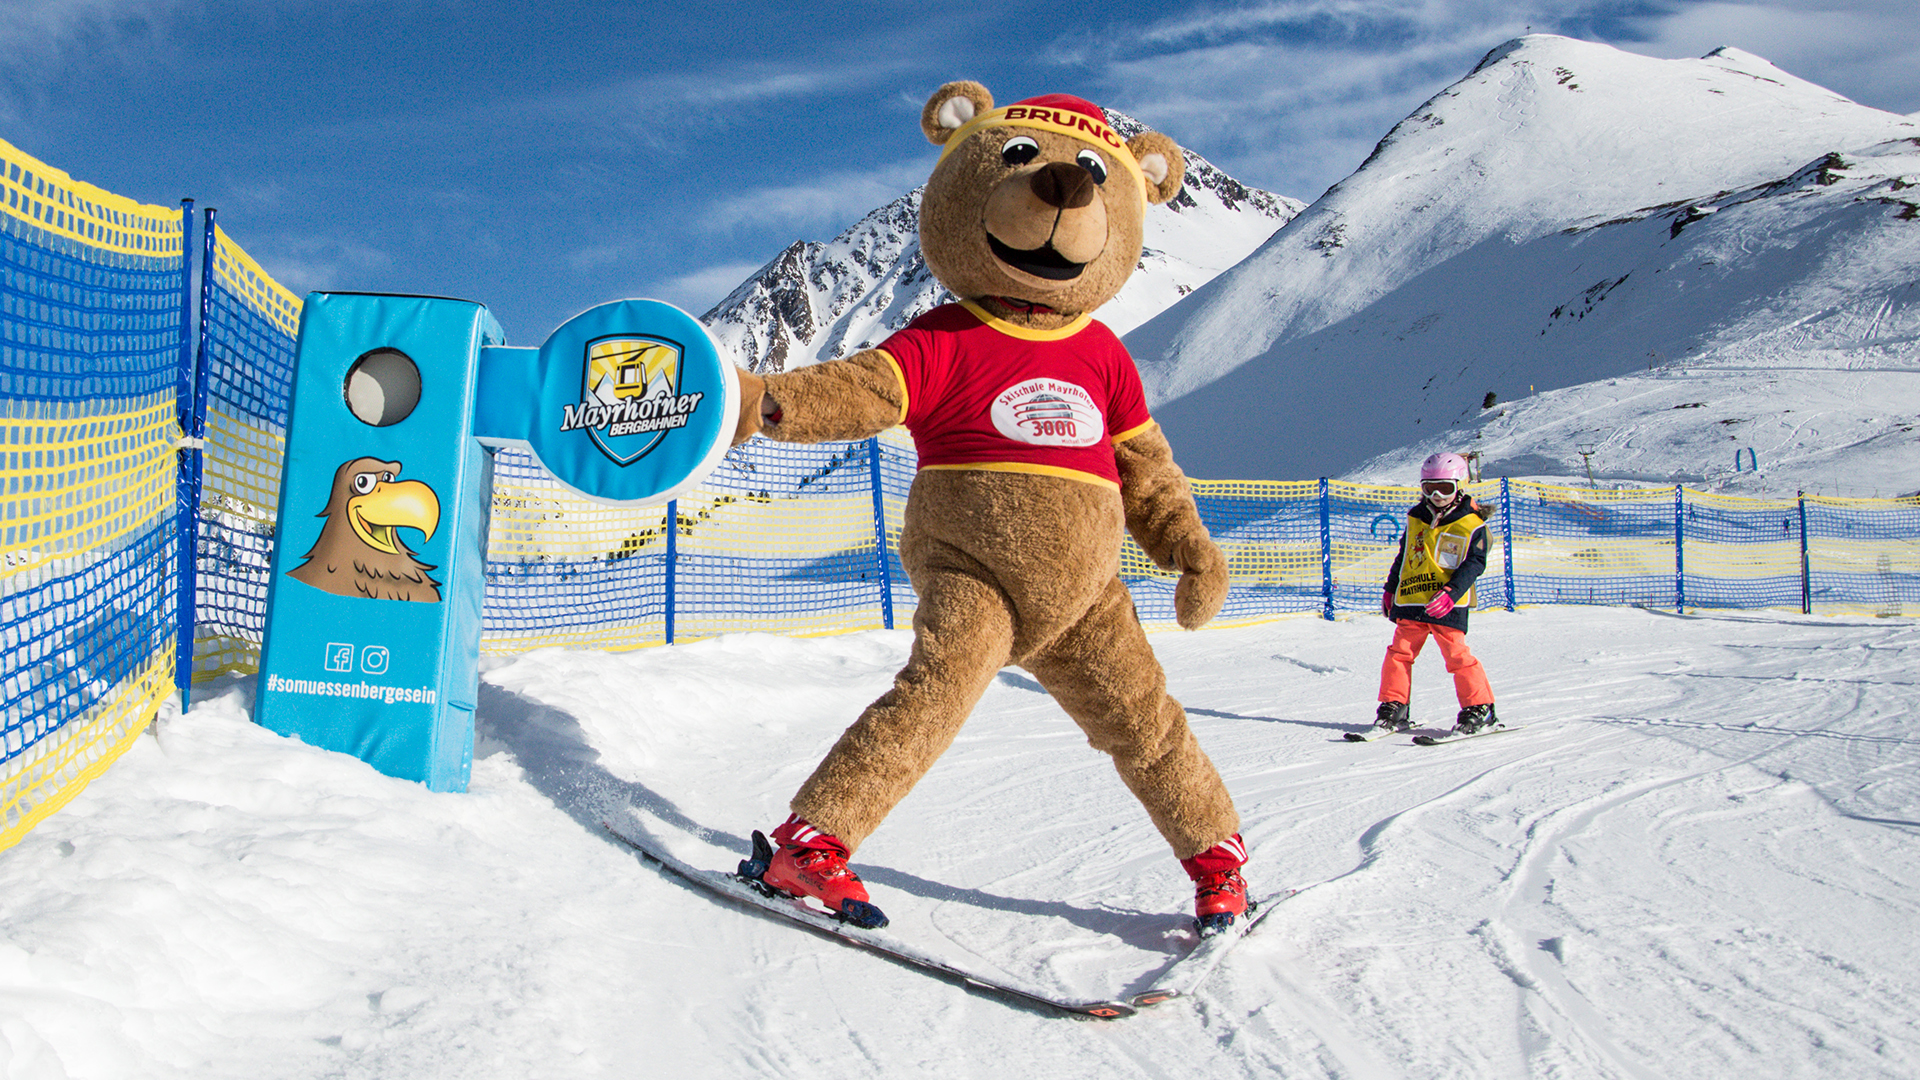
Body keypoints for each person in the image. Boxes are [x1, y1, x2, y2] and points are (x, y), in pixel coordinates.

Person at [1366, 452, 1500, 737]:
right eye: (1429, 488)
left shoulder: (1472, 524)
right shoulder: (1416, 517)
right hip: (1412, 597)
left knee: (1456, 655)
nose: (1437, 495)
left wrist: (1451, 592)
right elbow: (1404, 555)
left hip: (1445, 603)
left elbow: (1476, 563)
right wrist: (1390, 589)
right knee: (1399, 654)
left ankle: (1479, 707)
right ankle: (1394, 705)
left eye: (1445, 488)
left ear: (1459, 485)